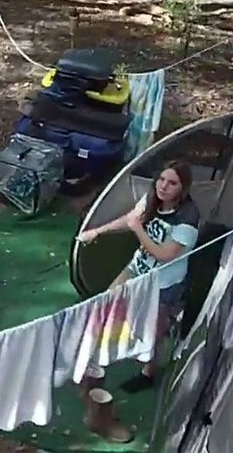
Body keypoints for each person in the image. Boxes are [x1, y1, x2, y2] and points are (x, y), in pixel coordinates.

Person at [77, 161, 199, 393]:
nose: (163, 186)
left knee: (153, 332)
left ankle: (147, 374)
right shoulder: (153, 199)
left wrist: (138, 229)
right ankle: (93, 357)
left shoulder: (187, 219)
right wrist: (97, 231)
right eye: (161, 179)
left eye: (172, 183)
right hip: (137, 269)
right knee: (105, 305)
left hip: (162, 286)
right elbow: (130, 219)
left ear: (183, 188)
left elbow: (164, 255)